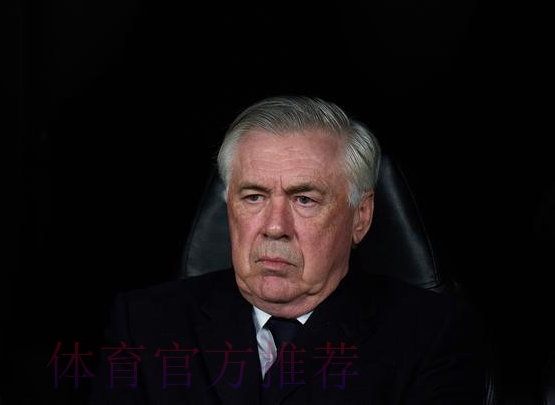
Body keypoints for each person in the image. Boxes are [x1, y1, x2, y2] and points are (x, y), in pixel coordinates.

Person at [90, 96, 489, 404]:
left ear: (360, 217)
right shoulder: (144, 324)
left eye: (304, 200)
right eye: (253, 197)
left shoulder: (433, 335)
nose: (275, 227)